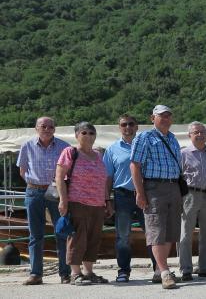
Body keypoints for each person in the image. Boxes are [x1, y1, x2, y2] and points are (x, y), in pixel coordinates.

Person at [130, 105, 183, 289]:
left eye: (168, 115)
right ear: (153, 118)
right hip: (154, 186)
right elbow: (135, 165)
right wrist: (140, 192)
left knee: (171, 230)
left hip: (173, 186)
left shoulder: (173, 138)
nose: (166, 118)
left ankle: (160, 269)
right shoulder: (144, 137)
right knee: (156, 229)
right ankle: (165, 271)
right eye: (162, 116)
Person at [56, 122, 110, 285]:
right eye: (84, 132)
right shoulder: (70, 152)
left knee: (94, 238)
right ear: (77, 135)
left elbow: (103, 180)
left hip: (98, 204)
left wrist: (107, 201)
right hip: (77, 201)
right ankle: (75, 273)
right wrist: (63, 200)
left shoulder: (98, 155)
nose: (88, 136)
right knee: (77, 238)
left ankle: (89, 272)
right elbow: (59, 177)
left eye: (91, 133)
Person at [17, 116, 70, 285]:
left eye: (50, 126)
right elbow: (22, 170)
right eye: (43, 126)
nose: (47, 129)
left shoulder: (64, 147)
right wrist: (34, 184)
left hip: (56, 192)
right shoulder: (27, 145)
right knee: (35, 235)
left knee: (62, 232)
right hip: (34, 191)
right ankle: (36, 274)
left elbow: (70, 171)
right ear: (36, 128)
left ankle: (65, 273)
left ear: (55, 128)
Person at [104, 115, 156, 282]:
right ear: (119, 128)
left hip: (146, 194)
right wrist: (107, 200)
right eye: (124, 124)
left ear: (137, 126)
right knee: (123, 236)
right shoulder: (112, 149)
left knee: (152, 233)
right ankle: (124, 271)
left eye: (131, 124)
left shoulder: (148, 146)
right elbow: (108, 177)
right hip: (122, 195)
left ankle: (158, 269)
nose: (127, 127)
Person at [178, 122, 206, 281]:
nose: (200, 134)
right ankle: (186, 269)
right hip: (189, 195)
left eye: (203, 132)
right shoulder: (183, 154)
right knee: (185, 233)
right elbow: (177, 178)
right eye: (196, 132)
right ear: (190, 135)